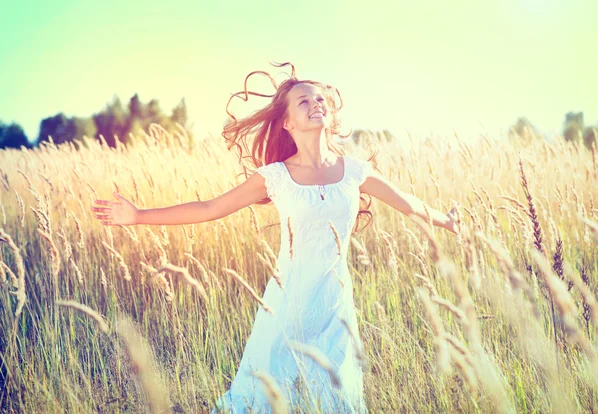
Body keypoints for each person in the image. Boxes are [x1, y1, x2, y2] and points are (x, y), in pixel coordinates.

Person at [91, 62, 459, 413]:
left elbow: (406, 203)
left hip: (335, 302)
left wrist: (447, 220)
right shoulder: (276, 177)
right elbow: (208, 208)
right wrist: (138, 216)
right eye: (304, 101)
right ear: (287, 122)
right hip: (287, 301)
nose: (316, 104)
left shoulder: (355, 172)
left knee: (335, 392)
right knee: (268, 389)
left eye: (320, 100)